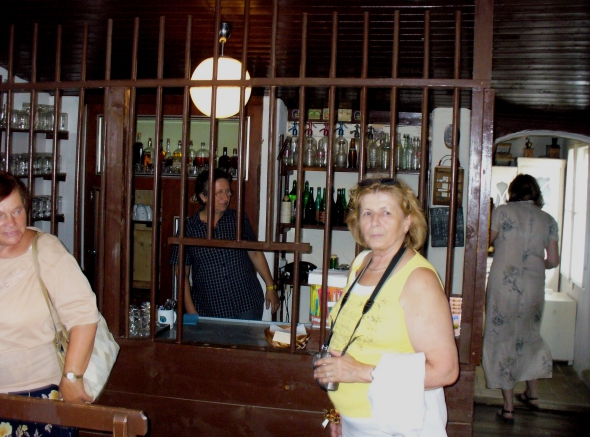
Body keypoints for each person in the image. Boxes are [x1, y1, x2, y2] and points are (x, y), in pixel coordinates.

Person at [0, 170, 99, 436]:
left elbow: (84, 317)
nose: (11, 222)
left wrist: (72, 377)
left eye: (17, 211)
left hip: (35, 398)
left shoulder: (48, 251)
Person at [312, 178, 459, 437]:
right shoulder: (361, 263)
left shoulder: (419, 279)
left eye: (386, 212)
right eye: (367, 213)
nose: (375, 221)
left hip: (397, 425)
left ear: (407, 222)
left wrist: (359, 372)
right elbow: (350, 342)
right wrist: (341, 413)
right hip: (356, 424)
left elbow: (445, 372)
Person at [482, 174, 559, 423]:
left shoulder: (502, 212)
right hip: (534, 285)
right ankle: (532, 395)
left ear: (512, 191)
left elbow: (485, 243)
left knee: (501, 336)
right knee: (529, 335)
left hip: (503, 285)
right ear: (536, 193)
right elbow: (553, 260)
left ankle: (508, 407)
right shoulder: (548, 220)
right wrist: (536, 264)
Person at [170, 169, 279, 319]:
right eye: (219, 193)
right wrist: (191, 311)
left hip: (247, 303)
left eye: (228, 192)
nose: (226, 198)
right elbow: (182, 273)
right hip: (209, 307)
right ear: (203, 197)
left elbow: (255, 252)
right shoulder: (188, 228)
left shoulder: (237, 219)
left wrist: (270, 286)